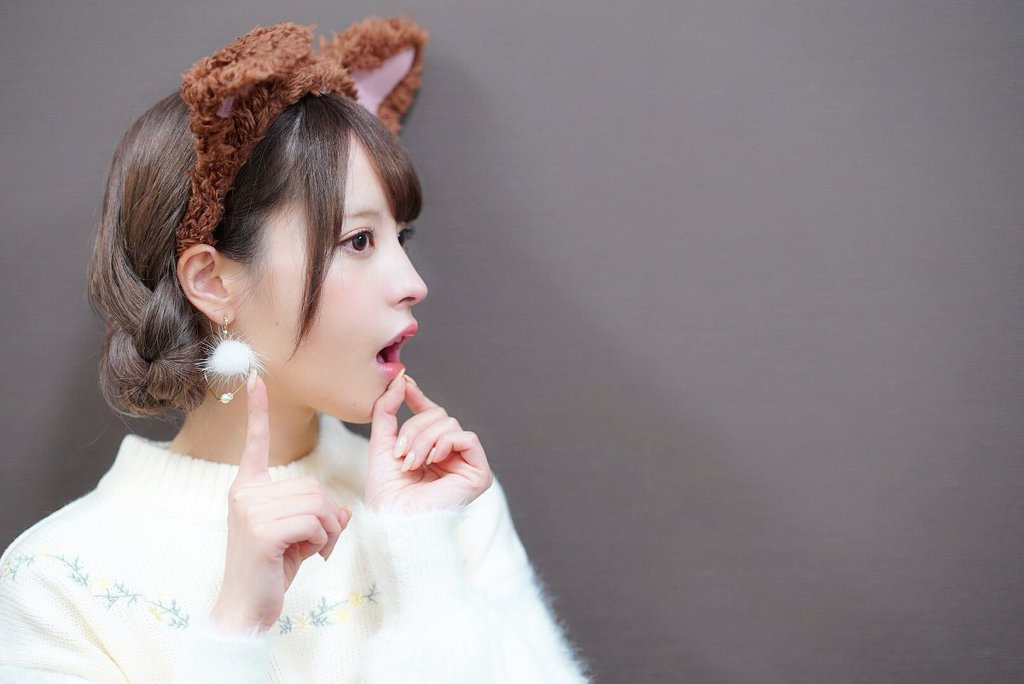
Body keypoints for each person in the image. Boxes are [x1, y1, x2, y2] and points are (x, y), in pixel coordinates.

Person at [0, 18, 592, 683]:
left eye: (401, 238)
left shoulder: (445, 498)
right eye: (359, 241)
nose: (413, 283)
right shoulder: (55, 583)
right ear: (212, 281)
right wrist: (235, 633)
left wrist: (419, 557)